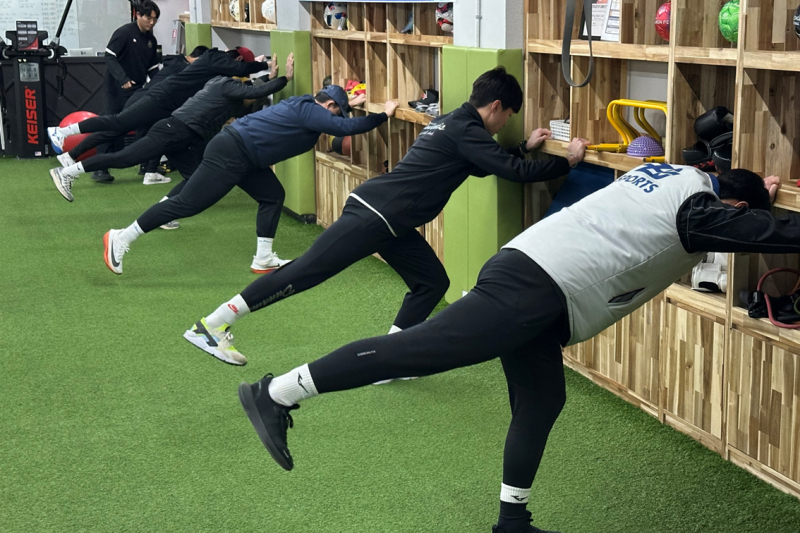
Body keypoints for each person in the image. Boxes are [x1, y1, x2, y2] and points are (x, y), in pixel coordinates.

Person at [236, 166, 791, 533]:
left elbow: (723, 192)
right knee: (421, 349)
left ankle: (512, 520)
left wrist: (755, 189)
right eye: (740, 210)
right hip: (539, 285)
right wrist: (762, 212)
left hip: (541, 283)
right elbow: (754, 230)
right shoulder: (698, 205)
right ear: (736, 203)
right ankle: (277, 393)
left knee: (542, 399)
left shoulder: (676, 175)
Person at [180, 67, 590, 367]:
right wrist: (567, 162)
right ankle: (212, 325)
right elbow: (512, 173)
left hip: (392, 220)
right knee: (305, 272)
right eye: (508, 117)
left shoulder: (452, 121)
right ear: (496, 106)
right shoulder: (466, 130)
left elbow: (486, 164)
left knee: (432, 282)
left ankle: (390, 359)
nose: (504, 125)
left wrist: (523, 147)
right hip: (376, 215)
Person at [100, 85, 398, 297]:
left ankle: (263, 257)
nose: (337, 116)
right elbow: (345, 129)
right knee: (187, 204)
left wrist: (350, 102)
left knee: (272, 195)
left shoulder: (306, 104)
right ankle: (121, 237)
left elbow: (333, 119)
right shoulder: (312, 110)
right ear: (329, 105)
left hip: (245, 155)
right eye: (337, 111)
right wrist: (383, 114)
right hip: (233, 152)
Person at [50, 53, 294, 214]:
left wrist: (269, 77)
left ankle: (163, 212)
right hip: (172, 130)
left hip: (182, 138)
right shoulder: (225, 84)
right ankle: (67, 172)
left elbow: (252, 90)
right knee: (124, 157)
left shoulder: (224, 89)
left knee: (194, 178)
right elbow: (254, 91)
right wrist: (286, 78)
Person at [47, 47, 269, 161]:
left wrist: (265, 74)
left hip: (166, 104)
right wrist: (264, 65)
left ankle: (151, 172)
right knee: (117, 124)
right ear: (237, 59)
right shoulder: (215, 58)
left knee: (142, 134)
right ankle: (63, 133)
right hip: (158, 99)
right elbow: (241, 70)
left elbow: (241, 78)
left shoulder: (213, 66)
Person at [57, 45, 210, 186]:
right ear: (198, 59)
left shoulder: (176, 63)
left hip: (149, 101)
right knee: (114, 130)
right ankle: (71, 153)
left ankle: (150, 171)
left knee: (156, 134)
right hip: (147, 101)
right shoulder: (183, 68)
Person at [92, 0, 161, 184]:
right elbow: (110, 56)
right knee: (111, 124)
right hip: (116, 89)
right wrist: (122, 79)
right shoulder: (123, 33)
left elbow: (153, 68)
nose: (152, 22)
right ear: (138, 15)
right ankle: (100, 168)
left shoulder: (151, 40)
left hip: (137, 89)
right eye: (149, 18)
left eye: (155, 19)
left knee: (145, 122)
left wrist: (160, 85)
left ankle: (146, 165)